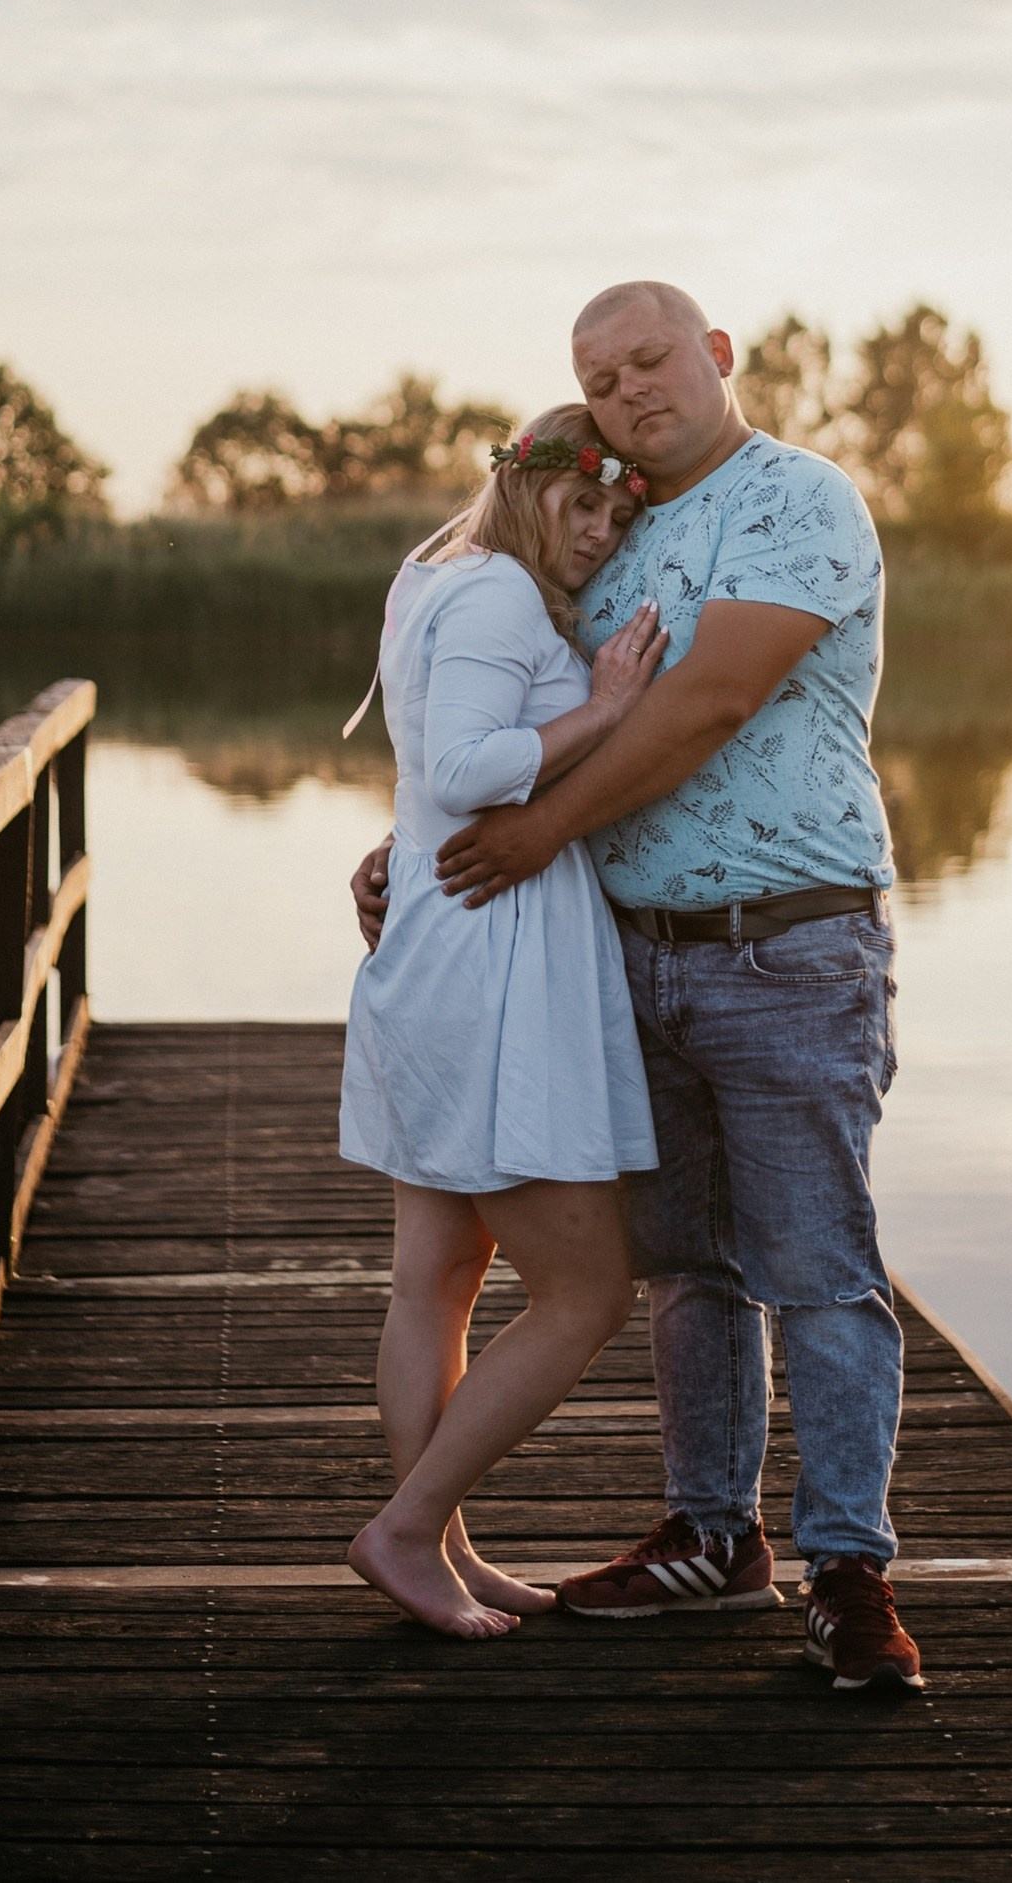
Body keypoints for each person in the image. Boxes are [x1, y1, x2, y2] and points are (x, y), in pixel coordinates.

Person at [353, 283, 924, 1694]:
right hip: (621, 950)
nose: (630, 393)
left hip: (786, 941)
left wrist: (531, 831)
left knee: (819, 1266)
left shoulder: (795, 497)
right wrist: (414, 846)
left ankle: (847, 1568)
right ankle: (711, 1533)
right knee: (684, 1265)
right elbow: (502, 716)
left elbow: (708, 697)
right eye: (601, 380)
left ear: (716, 354)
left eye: (651, 360)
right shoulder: (600, 525)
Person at [338, 402, 668, 1638]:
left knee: (436, 1276)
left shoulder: (440, 581)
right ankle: (408, 1527)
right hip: (489, 960)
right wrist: (608, 705)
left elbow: (423, 771)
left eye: (616, 515)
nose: (597, 533)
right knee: (586, 1292)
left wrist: (391, 850)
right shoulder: (495, 596)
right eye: (582, 504)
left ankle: (438, 1544)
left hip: (448, 938)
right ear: (524, 487)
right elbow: (466, 769)